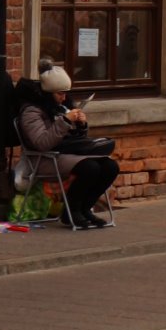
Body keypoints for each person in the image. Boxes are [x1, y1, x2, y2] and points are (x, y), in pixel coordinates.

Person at [16, 63, 120, 230]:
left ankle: (85, 208)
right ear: (49, 93)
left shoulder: (61, 107)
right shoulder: (32, 112)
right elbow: (42, 143)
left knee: (110, 166)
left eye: (66, 93)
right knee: (89, 168)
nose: (64, 98)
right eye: (60, 93)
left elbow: (75, 141)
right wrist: (64, 121)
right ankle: (71, 211)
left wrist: (81, 125)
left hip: (65, 153)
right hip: (43, 158)